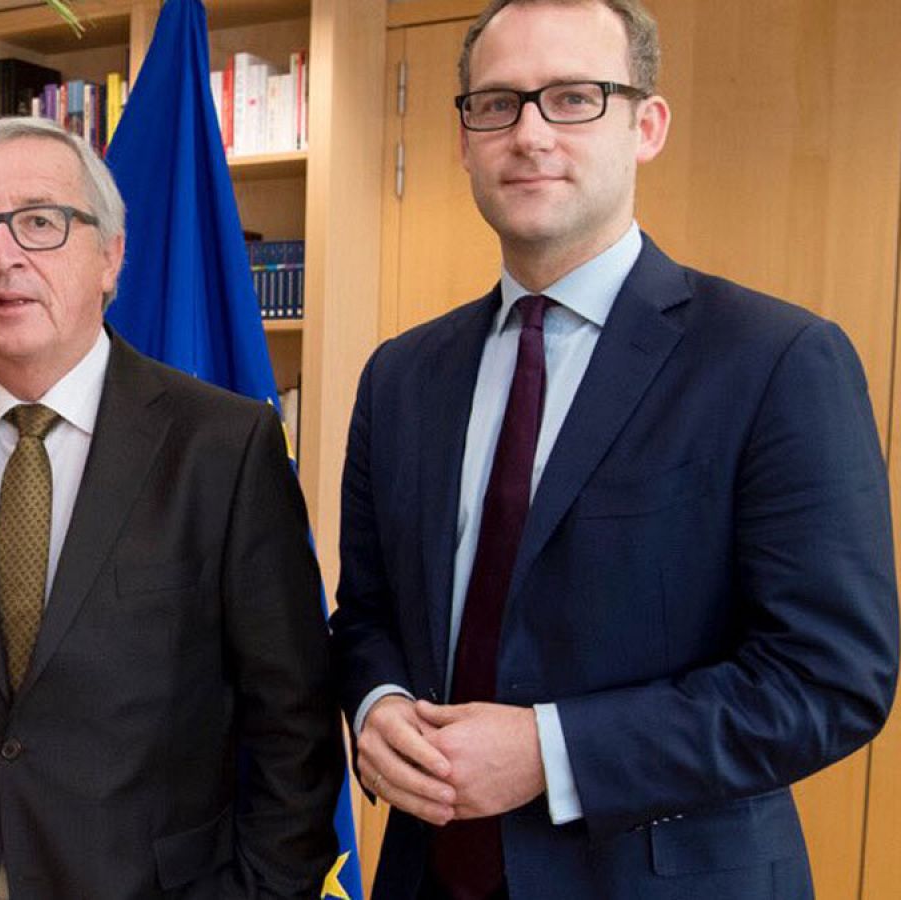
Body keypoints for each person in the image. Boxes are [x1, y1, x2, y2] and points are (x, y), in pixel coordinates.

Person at [329, 2, 900, 899]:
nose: (529, 133)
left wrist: (552, 753)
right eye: (497, 103)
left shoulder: (776, 360)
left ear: (647, 125)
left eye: (573, 97)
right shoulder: (401, 376)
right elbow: (365, 616)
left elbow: (830, 679)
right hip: (428, 873)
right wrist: (379, 705)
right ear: (463, 138)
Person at [0, 116, 342, 900]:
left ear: (111, 257)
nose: (3, 255)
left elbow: (292, 723)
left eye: (40, 221)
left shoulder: (224, 446)